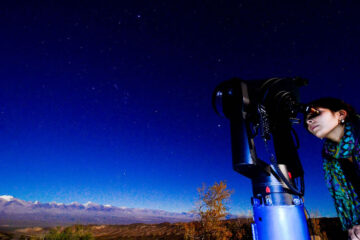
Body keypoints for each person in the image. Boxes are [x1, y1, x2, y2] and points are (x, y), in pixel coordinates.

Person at [304, 97, 360, 239]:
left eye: (315, 113)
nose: (308, 121)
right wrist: (352, 229)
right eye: (306, 121)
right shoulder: (329, 157)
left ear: (341, 114)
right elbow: (342, 198)